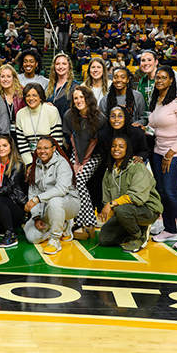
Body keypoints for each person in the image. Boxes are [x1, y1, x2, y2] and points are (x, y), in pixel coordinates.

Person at [147, 65, 177, 251]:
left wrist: (170, 153)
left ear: (171, 81)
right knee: (161, 190)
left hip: (176, 152)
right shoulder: (159, 101)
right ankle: (169, 229)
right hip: (159, 150)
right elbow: (157, 125)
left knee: (172, 190)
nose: (159, 80)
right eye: (157, 77)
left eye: (163, 77)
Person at [97, 136, 163, 252]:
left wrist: (112, 204)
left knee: (122, 210)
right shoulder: (109, 171)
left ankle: (139, 236)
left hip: (147, 209)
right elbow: (106, 200)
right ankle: (133, 228)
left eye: (121, 146)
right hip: (124, 211)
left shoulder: (137, 167)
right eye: (114, 146)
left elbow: (137, 197)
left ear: (127, 150)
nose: (116, 149)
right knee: (104, 239)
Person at [22, 137, 79, 254]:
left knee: (55, 201)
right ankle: (62, 225)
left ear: (54, 149)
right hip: (46, 209)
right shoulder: (34, 166)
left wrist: (37, 199)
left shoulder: (62, 163)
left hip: (68, 204)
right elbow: (33, 192)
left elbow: (61, 189)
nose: (42, 151)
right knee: (32, 237)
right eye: (39, 148)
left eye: (46, 148)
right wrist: (36, 217)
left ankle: (55, 240)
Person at [63, 85, 106, 240]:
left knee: (80, 180)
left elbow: (93, 143)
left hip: (93, 155)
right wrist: (75, 160)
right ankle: (85, 221)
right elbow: (73, 139)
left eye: (82, 97)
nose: (79, 100)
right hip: (77, 152)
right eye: (76, 98)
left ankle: (87, 221)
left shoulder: (99, 117)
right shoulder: (69, 115)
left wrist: (82, 163)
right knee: (73, 180)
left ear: (88, 98)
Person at [15, 83, 63, 164]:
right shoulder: (20, 114)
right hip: (30, 159)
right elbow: (22, 144)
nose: (31, 98)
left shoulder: (51, 111)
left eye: (34, 95)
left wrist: (48, 163)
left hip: (51, 159)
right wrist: (30, 164)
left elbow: (57, 142)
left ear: (40, 97)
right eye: (28, 96)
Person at [0, 64, 26, 132]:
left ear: (13, 78)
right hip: (3, 135)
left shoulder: (24, 93)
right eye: (2, 76)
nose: (5, 79)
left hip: (21, 133)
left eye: (8, 76)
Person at [45, 53, 79, 118]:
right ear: (54, 67)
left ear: (69, 66)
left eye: (64, 64)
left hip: (66, 125)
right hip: (50, 124)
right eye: (57, 64)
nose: (60, 67)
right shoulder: (50, 85)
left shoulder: (75, 86)